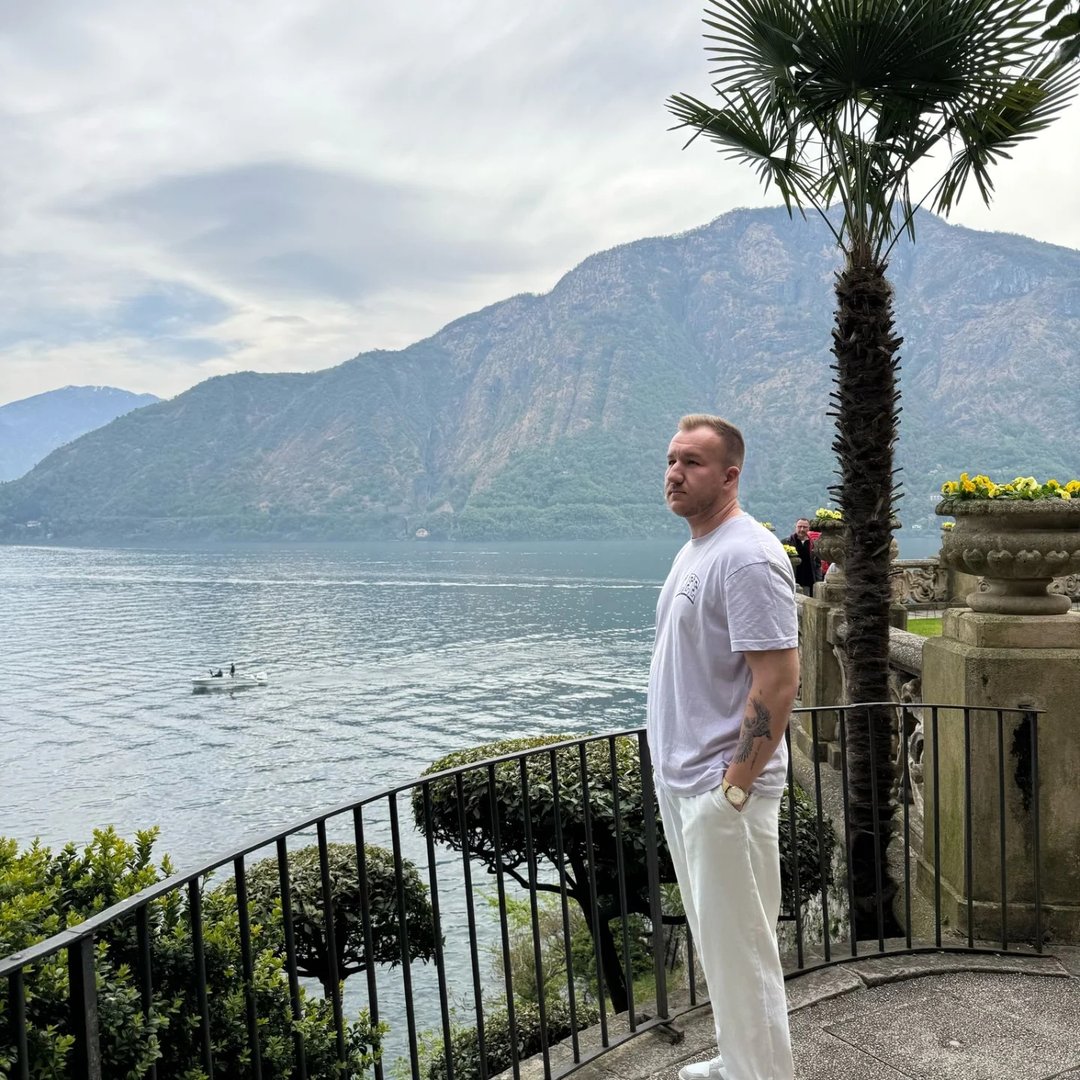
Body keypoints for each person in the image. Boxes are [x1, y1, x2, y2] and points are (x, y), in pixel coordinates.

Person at [648, 414, 798, 1080]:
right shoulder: (697, 549)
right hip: (688, 786)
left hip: (722, 793)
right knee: (721, 949)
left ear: (730, 475)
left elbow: (778, 681)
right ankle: (739, 1063)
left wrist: (732, 788)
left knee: (745, 955)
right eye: (672, 460)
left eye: (693, 463)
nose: (675, 474)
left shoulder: (747, 556)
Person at [783, 517, 822, 595]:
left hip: (810, 581)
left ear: (809, 528)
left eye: (805, 527)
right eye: (799, 526)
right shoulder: (786, 542)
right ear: (795, 527)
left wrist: (819, 580)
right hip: (793, 580)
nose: (802, 529)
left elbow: (818, 564)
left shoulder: (814, 543)